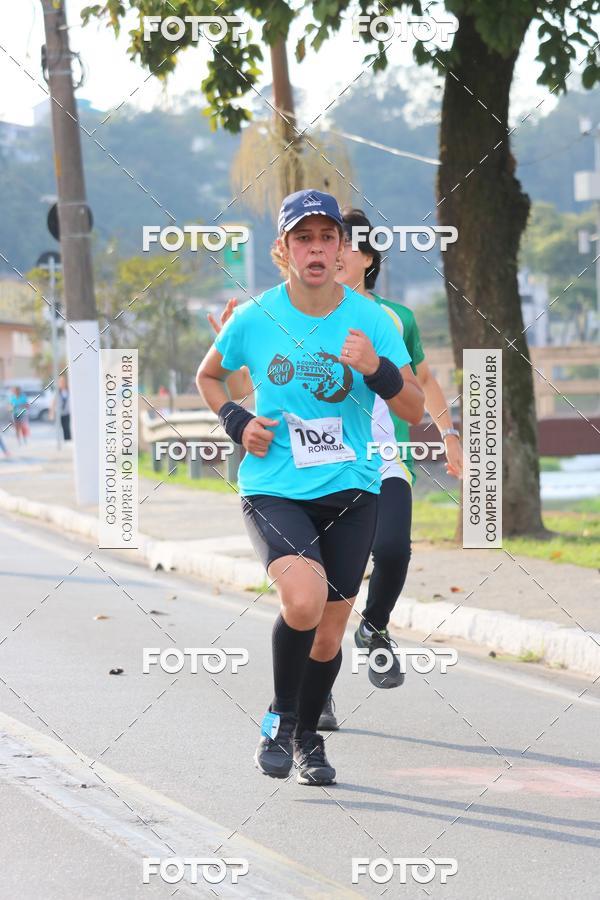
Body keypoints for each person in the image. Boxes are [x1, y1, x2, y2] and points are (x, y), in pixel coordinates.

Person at [196, 189, 424, 786]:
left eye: (327, 238)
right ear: (283, 250)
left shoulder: (374, 321)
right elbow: (209, 376)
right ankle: (278, 716)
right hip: (275, 485)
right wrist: (238, 422)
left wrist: (376, 368)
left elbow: (414, 406)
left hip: (352, 488)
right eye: (304, 238)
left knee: (329, 633)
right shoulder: (255, 317)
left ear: (343, 248)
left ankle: (305, 738)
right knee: (302, 599)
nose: (317, 248)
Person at [317, 208, 464, 728]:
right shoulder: (306, 313)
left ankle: (374, 627)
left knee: (394, 551)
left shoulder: (396, 318)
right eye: (330, 246)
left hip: (385, 459)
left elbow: (424, 381)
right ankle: (321, 695)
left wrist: (448, 434)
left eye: (347, 248)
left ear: (368, 258)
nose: (336, 256)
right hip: (327, 466)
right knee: (331, 588)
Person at [53, 376, 71, 441]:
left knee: (67, 427)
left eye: (63, 382)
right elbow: (53, 402)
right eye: (61, 382)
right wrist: (51, 412)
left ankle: (68, 439)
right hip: (59, 413)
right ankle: (64, 440)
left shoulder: (69, 390)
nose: (62, 383)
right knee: (62, 427)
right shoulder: (58, 392)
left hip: (67, 412)